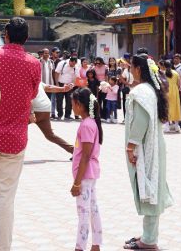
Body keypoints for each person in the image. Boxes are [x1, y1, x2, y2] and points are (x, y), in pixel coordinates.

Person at [0, 17, 40, 251]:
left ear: (6, 34)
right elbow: (33, 94)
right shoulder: (33, 64)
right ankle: (4, 247)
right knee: (6, 196)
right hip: (15, 137)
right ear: (26, 38)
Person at [123, 54, 172, 251]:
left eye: (131, 67)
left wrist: (130, 147)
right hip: (154, 145)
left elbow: (140, 122)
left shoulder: (141, 92)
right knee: (151, 188)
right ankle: (148, 234)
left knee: (149, 189)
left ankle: (149, 241)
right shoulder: (150, 89)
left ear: (137, 69)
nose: (130, 71)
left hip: (145, 149)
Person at [70, 87, 103, 251]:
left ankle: (80, 247)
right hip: (89, 174)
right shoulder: (89, 123)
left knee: (83, 212)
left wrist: (77, 183)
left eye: (72, 104)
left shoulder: (86, 125)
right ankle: (96, 244)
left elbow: (86, 155)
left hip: (84, 176)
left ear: (79, 105)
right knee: (92, 209)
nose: (72, 107)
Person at [30, 80, 74, 154]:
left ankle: (12, 150)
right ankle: (74, 151)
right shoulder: (36, 79)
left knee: (15, 125)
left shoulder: (24, 81)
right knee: (50, 136)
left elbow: (27, 98)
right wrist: (63, 89)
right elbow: (48, 87)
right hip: (46, 107)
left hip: (37, 110)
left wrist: (30, 113)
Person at [55, 55, 78, 120]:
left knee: (69, 101)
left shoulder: (75, 67)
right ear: (70, 61)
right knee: (59, 100)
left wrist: (72, 84)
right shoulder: (62, 63)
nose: (73, 65)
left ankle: (67, 115)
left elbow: (76, 77)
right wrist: (57, 84)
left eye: (74, 64)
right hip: (60, 84)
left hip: (69, 85)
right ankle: (59, 115)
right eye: (72, 63)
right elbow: (56, 73)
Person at [161, 62, 181, 133]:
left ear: (164, 66)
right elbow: (179, 84)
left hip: (166, 91)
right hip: (175, 91)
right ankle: (176, 126)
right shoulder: (176, 73)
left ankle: (167, 127)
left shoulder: (163, 73)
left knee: (167, 108)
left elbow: (162, 83)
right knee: (176, 107)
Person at [39, 48, 56, 119]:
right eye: (45, 53)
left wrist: (55, 83)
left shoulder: (51, 61)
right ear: (42, 54)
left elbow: (53, 73)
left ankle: (47, 115)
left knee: (49, 100)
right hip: (41, 85)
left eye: (48, 53)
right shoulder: (38, 61)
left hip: (49, 84)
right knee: (41, 100)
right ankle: (40, 115)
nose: (47, 54)